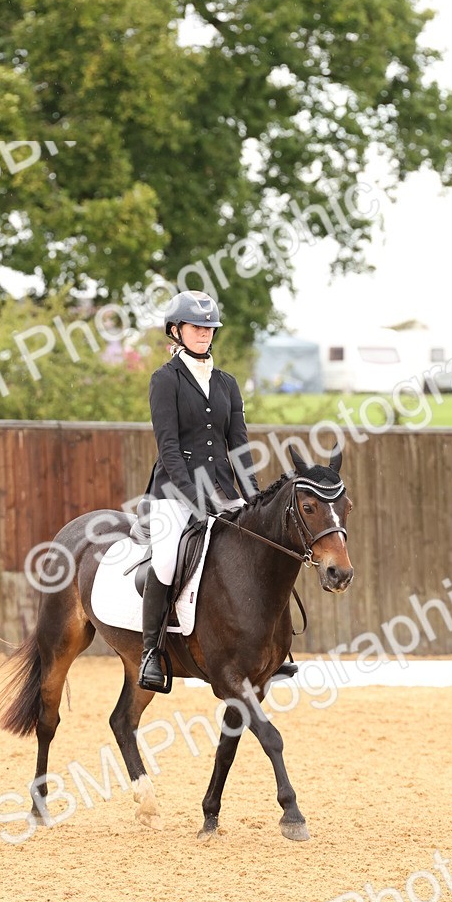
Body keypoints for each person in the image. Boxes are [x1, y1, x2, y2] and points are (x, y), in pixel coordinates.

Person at [137, 289, 297, 692]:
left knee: (263, 550)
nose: (204, 333)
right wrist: (195, 498)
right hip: (174, 493)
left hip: (224, 489)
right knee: (167, 561)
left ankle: (273, 650)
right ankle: (151, 652)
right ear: (176, 331)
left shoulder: (227, 383)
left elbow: (239, 446)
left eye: (209, 327)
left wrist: (255, 498)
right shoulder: (165, 380)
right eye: (195, 327)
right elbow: (169, 448)